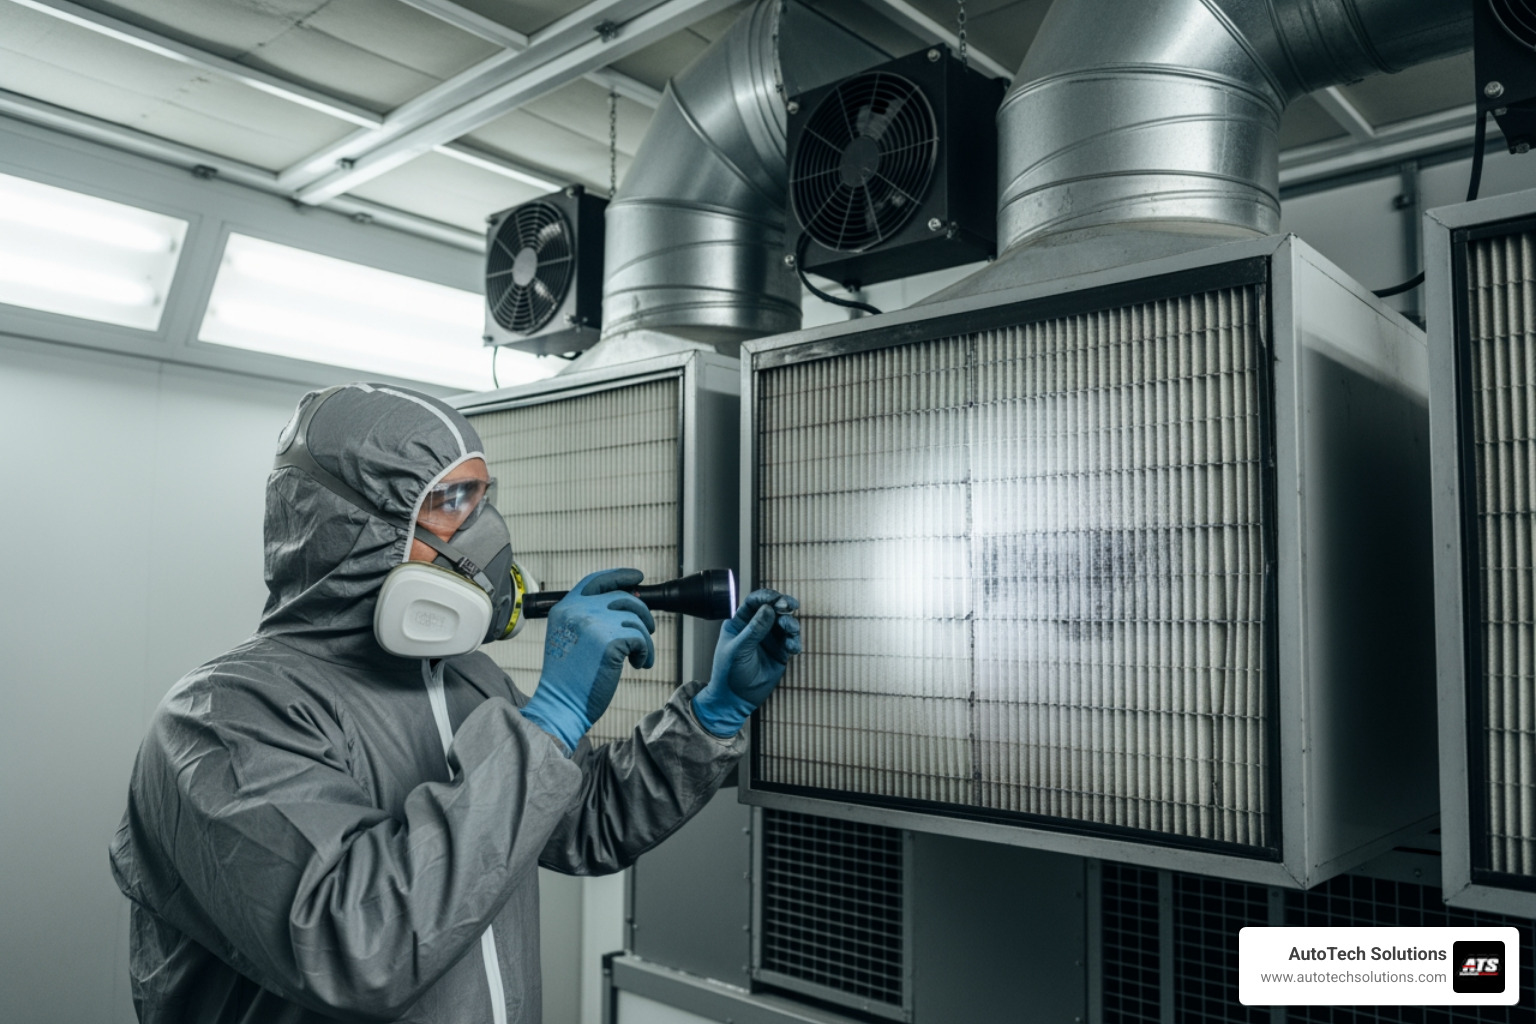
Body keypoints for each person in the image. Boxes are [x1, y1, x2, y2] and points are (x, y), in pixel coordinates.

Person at [108, 382, 801, 1024]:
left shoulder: (465, 678)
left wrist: (713, 712)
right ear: (353, 531)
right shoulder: (221, 721)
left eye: (481, 497)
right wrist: (551, 718)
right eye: (450, 504)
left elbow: (578, 821)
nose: (485, 533)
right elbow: (358, 945)